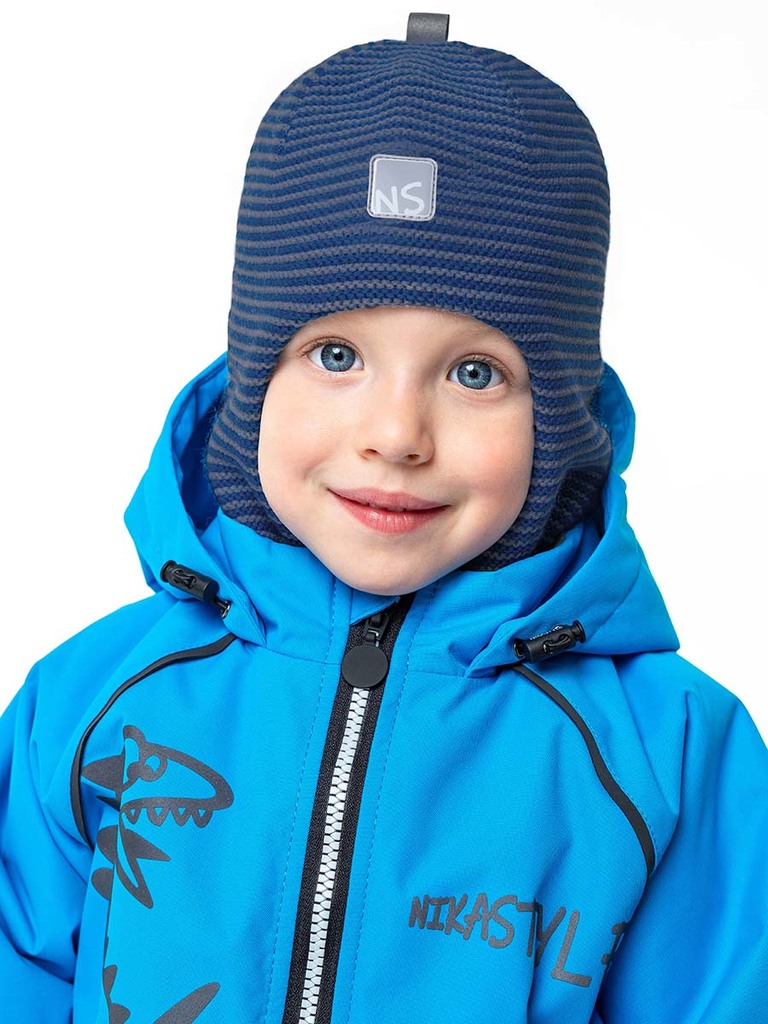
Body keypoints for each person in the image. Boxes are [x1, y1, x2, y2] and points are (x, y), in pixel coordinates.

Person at [1, 12, 766, 1023]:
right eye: (336, 357)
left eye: (475, 372)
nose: (397, 434)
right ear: (251, 383)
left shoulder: (668, 751)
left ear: (560, 419)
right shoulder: (86, 702)